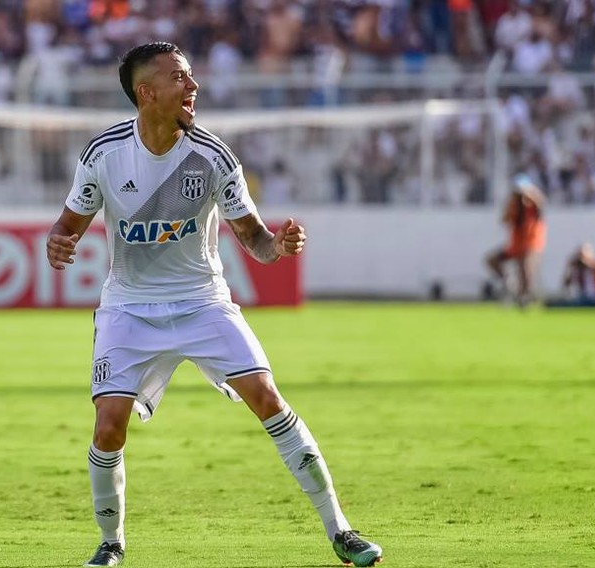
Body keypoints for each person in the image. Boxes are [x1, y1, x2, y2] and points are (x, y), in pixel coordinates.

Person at [45, 42, 383, 568]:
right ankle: (111, 543)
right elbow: (67, 226)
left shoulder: (214, 155)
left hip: (203, 301)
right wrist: (58, 243)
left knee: (268, 397)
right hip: (130, 308)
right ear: (147, 92)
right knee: (108, 424)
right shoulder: (104, 154)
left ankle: (341, 529)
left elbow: (254, 239)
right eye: (180, 78)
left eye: (192, 77)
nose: (193, 86)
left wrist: (280, 247)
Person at [485, 175, 547, 306]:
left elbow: (541, 202)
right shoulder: (514, 206)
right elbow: (504, 220)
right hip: (515, 246)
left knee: (525, 266)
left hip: (531, 244)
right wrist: (511, 204)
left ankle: (525, 295)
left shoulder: (533, 206)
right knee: (492, 260)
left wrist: (529, 193)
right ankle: (509, 282)